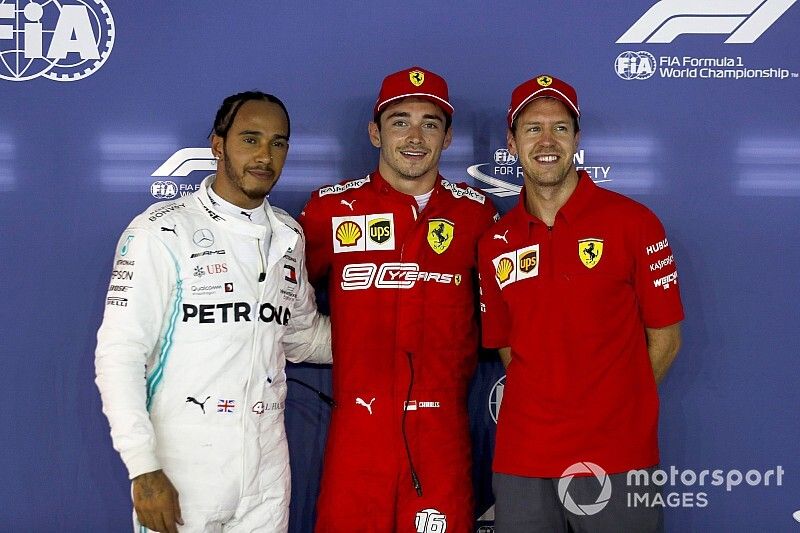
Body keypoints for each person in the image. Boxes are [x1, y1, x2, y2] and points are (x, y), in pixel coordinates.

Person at [95, 91, 332, 533]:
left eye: (278, 143)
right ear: (218, 145)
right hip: (182, 469)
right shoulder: (162, 231)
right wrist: (143, 469)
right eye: (250, 139)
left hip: (266, 471)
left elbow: (302, 337)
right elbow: (119, 353)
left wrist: (394, 329)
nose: (265, 156)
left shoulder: (288, 236)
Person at [477, 75, 683, 532]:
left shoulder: (635, 223)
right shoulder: (495, 241)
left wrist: (614, 412)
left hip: (618, 456)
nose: (547, 141)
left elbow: (666, 338)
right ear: (511, 142)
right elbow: (507, 346)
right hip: (524, 458)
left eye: (560, 128)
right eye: (533, 129)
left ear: (577, 140)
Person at [299, 66, 498, 531]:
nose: (415, 136)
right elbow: (283, 303)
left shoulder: (477, 214)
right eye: (399, 121)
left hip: (441, 436)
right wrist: (333, 341)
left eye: (430, 123)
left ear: (447, 137)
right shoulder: (331, 210)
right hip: (358, 436)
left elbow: (504, 313)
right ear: (375, 132)